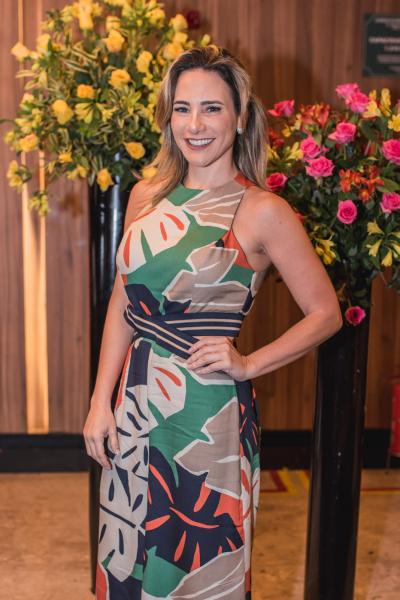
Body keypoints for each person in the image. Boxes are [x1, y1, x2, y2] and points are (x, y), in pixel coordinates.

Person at [83, 45, 342, 599]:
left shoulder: (262, 210)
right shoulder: (146, 197)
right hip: (137, 402)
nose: (194, 125)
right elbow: (125, 303)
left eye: (211, 108)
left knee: (197, 560)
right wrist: (100, 400)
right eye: (182, 109)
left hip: (208, 411)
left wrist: (248, 363)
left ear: (240, 116)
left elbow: (326, 313)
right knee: (129, 552)